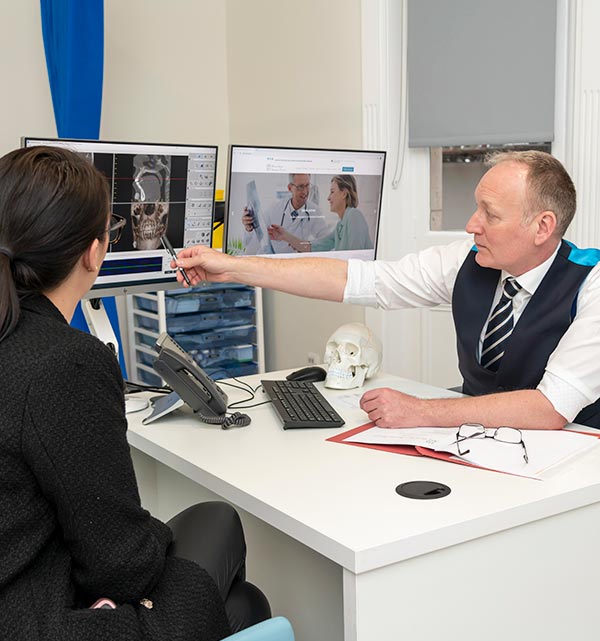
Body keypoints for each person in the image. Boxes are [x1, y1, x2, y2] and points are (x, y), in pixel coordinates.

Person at [0, 146, 270, 641]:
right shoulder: (64, 363)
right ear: (94, 251)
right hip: (28, 624)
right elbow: (121, 566)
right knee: (239, 591)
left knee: (220, 549)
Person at [171, 150, 600, 431]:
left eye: (490, 214)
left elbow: (550, 408)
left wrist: (421, 411)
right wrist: (232, 268)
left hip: (572, 464)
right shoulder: (467, 259)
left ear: (543, 226)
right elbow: (355, 280)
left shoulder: (592, 283)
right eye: (475, 208)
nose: (472, 224)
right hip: (481, 445)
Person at [268, 174, 373, 252]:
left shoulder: (354, 216)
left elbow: (355, 261)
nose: (328, 198)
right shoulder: (340, 226)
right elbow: (315, 246)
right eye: (300, 187)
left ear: (344, 194)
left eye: (332, 192)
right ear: (290, 188)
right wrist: (284, 236)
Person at [242, 172, 330, 254]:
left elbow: (326, 242)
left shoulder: (314, 210)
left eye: (307, 185)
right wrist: (249, 227)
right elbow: (256, 237)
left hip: (295, 263)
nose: (305, 191)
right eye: (300, 187)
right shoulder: (275, 208)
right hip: (274, 260)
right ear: (290, 188)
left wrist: (306, 247)